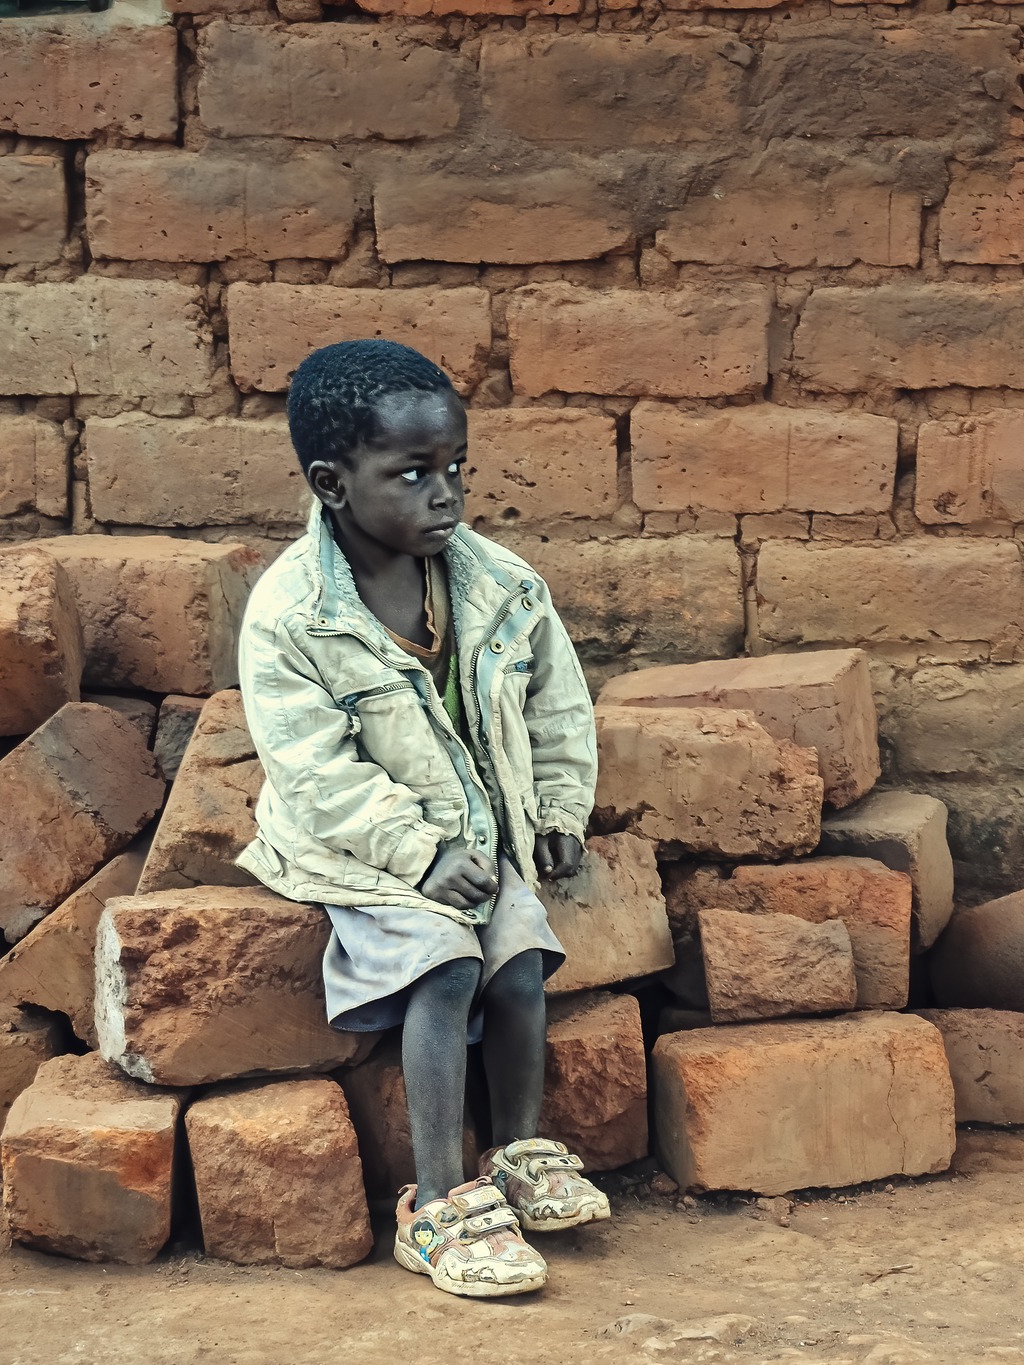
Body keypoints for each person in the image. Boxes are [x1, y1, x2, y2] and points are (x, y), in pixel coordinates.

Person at [234, 338, 604, 1299]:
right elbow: (315, 772)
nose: (447, 495)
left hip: (478, 837)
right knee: (445, 966)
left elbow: (556, 707)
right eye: (413, 474)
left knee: (520, 959)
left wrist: (558, 808)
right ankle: (438, 1202)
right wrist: (420, 852)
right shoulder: (293, 616)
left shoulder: (502, 584)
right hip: (361, 849)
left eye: (455, 469)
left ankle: (520, 1148)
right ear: (332, 483)